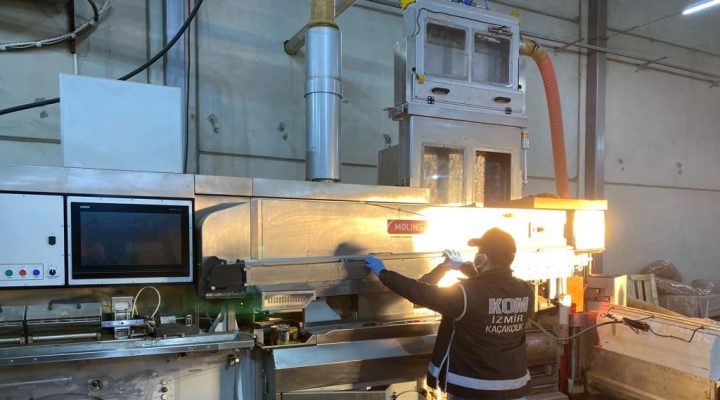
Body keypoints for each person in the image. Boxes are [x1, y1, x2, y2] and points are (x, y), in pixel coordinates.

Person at [364, 228, 533, 400]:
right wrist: (461, 266)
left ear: (482, 259)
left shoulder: (465, 293)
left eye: (478, 252)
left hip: (473, 388)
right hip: (514, 387)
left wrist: (384, 273)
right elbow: (492, 286)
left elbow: (419, 292)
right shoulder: (526, 290)